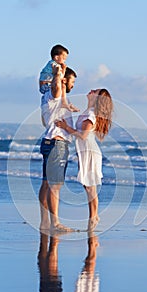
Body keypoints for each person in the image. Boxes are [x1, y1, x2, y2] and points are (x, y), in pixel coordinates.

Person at [55, 88, 113, 231]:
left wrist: (65, 127)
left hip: (90, 152)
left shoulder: (91, 115)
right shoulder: (88, 112)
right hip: (85, 152)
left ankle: (94, 217)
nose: (90, 90)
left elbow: (83, 135)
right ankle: (94, 216)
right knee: (87, 185)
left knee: (90, 186)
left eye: (95, 91)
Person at [39, 64, 77, 233]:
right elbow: (55, 89)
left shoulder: (50, 97)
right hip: (57, 144)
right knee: (55, 185)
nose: (73, 85)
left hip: (49, 142)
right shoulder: (55, 94)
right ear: (64, 80)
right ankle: (55, 223)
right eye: (72, 81)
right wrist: (57, 76)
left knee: (47, 184)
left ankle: (45, 221)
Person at [39, 44, 78, 112]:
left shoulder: (51, 65)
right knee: (62, 86)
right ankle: (64, 103)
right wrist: (63, 69)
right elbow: (60, 76)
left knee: (62, 87)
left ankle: (66, 103)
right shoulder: (55, 65)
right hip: (46, 85)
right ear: (56, 57)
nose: (64, 61)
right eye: (63, 59)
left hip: (45, 85)